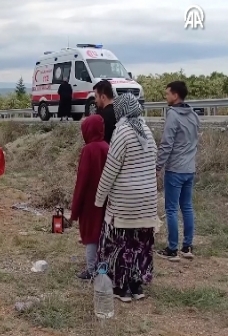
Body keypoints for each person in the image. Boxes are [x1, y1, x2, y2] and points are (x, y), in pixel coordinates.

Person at [94, 92, 158, 302]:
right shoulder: (146, 131)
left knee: (121, 244)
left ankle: (121, 288)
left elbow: (110, 169)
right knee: (141, 245)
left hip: (125, 201)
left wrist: (99, 199)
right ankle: (137, 286)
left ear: (120, 110)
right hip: (147, 202)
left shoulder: (121, 132)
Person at [156, 81, 200, 261]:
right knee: (187, 207)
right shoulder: (194, 115)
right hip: (189, 168)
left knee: (172, 209)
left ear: (175, 95)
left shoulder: (173, 115)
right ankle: (187, 246)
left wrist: (157, 166)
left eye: (167, 94)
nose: (166, 97)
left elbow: (166, 144)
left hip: (175, 169)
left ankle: (172, 249)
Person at [70, 115, 109, 280]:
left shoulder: (88, 150)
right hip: (107, 198)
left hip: (90, 200)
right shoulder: (108, 146)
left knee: (90, 234)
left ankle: (91, 270)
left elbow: (82, 180)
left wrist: (75, 210)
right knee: (103, 232)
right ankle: (103, 267)